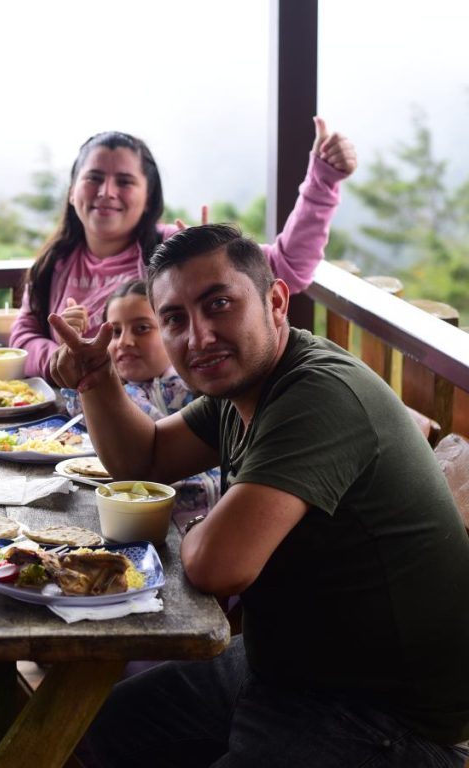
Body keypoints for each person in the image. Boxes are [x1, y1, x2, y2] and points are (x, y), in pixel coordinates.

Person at [49, 224, 469, 766]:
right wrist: (96, 377)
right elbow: (145, 456)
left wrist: (205, 532)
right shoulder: (240, 387)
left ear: (275, 301)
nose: (198, 337)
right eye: (174, 318)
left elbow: (221, 566)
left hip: (385, 715)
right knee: (85, 732)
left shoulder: (316, 394)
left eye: (218, 303)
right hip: (287, 662)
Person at [10, 118, 358, 380]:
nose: (107, 192)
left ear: (149, 199)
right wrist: (65, 358)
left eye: (126, 181)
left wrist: (323, 181)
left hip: (162, 423)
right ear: (73, 191)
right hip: (63, 430)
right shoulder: (54, 263)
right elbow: (22, 337)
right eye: (94, 178)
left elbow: (287, 266)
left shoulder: (173, 254)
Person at [103, 280, 219, 516]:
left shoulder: (205, 380)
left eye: (142, 328)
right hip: (160, 525)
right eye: (115, 332)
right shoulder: (113, 399)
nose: (124, 341)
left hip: (227, 522)